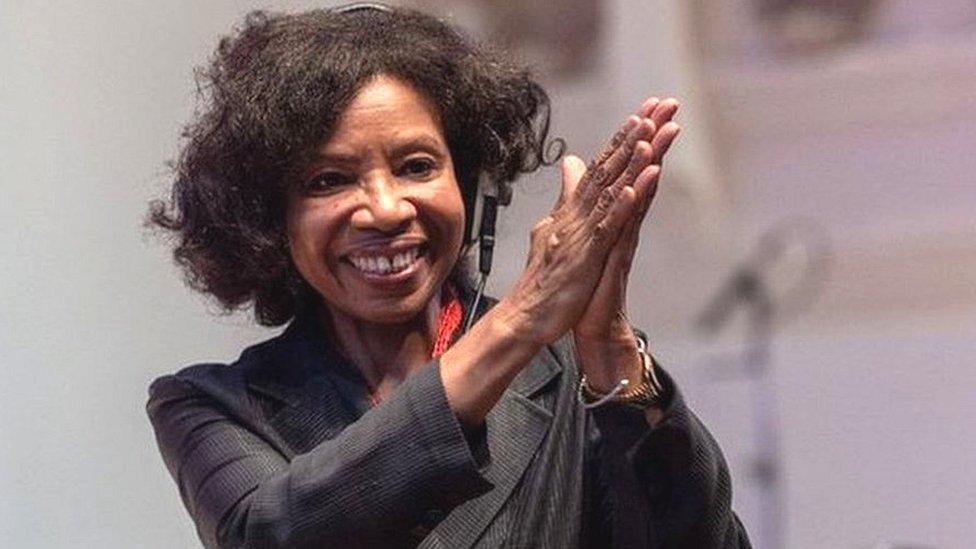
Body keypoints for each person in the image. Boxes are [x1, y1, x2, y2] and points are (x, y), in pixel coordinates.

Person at [147, 4, 751, 548]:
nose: (386, 209)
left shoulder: (572, 373)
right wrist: (518, 321)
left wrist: (614, 351)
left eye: (416, 166)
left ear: (466, 184)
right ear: (269, 218)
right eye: (329, 180)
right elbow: (275, 536)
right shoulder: (211, 406)